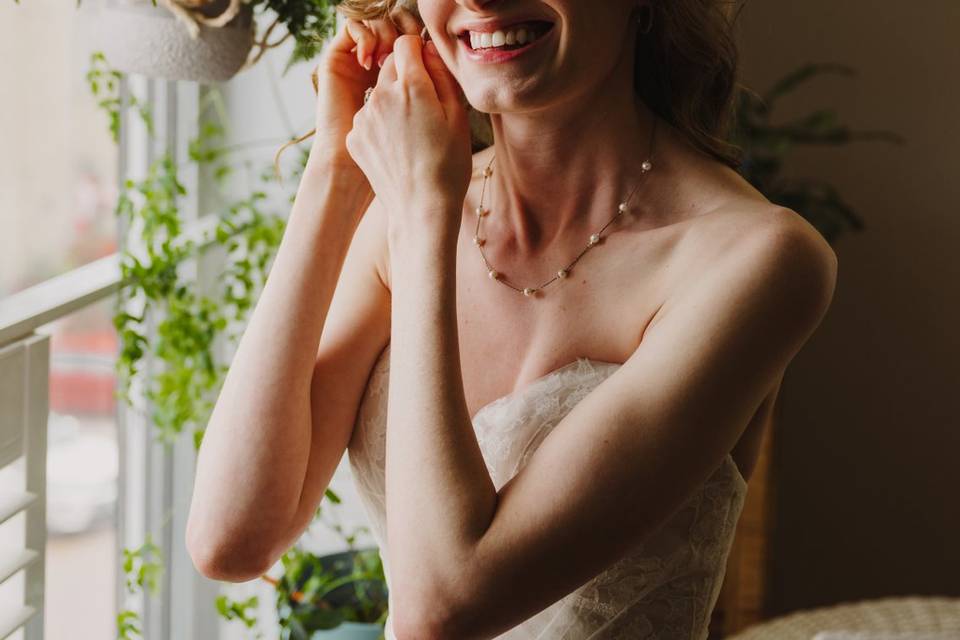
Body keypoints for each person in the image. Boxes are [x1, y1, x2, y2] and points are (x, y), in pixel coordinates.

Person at [186, 1, 839, 638]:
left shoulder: (761, 259)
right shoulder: (413, 207)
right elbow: (231, 540)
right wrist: (336, 166)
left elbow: (440, 610)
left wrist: (422, 216)